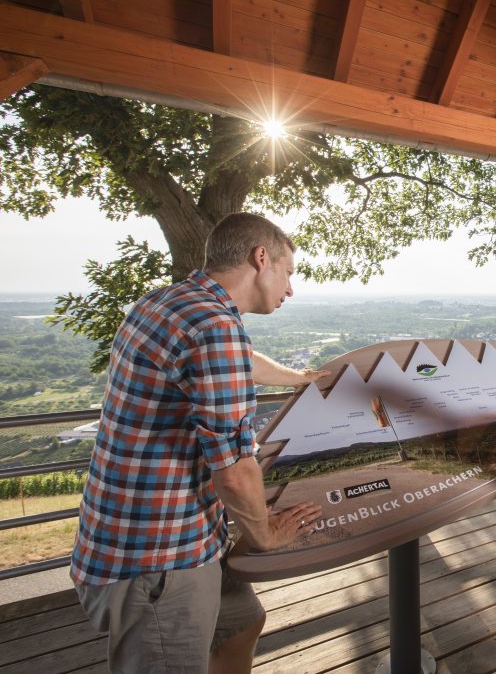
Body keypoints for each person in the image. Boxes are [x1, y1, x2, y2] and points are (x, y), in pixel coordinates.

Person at [71, 212, 325, 674]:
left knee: (241, 624)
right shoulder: (215, 328)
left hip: (145, 535)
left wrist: (300, 379)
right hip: (160, 555)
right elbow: (232, 468)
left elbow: (239, 359)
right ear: (261, 257)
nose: (291, 289)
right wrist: (264, 534)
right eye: (289, 272)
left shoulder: (171, 303)